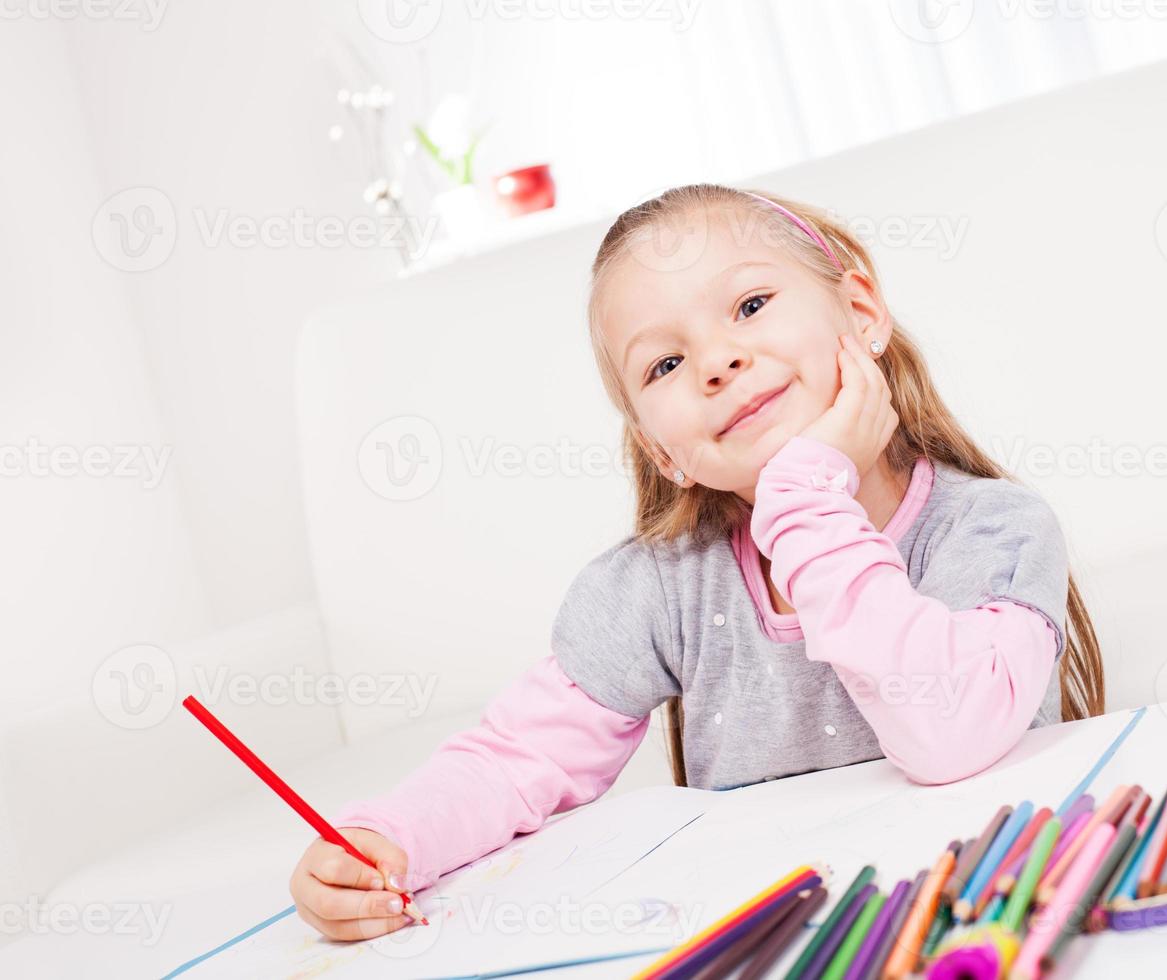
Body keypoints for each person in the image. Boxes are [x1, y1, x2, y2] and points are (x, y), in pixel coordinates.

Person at [288, 183, 1104, 941]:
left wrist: (810, 498)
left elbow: (947, 735)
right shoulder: (660, 586)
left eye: (751, 305)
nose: (717, 361)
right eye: (666, 364)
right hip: (782, 944)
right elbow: (517, 761)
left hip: (977, 925)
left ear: (860, 313)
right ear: (660, 449)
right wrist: (386, 839)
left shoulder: (993, 530)